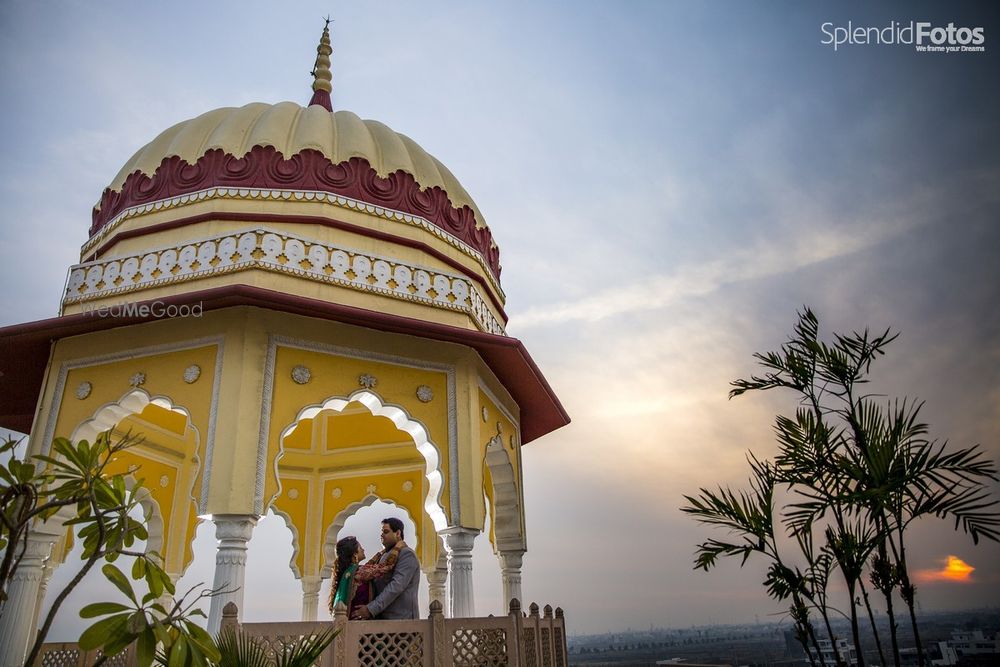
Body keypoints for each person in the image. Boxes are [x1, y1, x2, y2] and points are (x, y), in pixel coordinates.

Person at [350, 518, 420, 620]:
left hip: (401, 621)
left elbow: (396, 587)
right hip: (382, 620)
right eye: (382, 532)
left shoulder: (406, 554)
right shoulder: (382, 556)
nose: (382, 535)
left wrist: (370, 609)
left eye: (386, 532)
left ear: (398, 533)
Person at [328, 536, 372, 618]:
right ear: (354, 554)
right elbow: (384, 568)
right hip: (359, 624)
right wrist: (396, 549)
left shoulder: (347, 573)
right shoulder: (360, 572)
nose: (363, 549)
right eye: (360, 547)